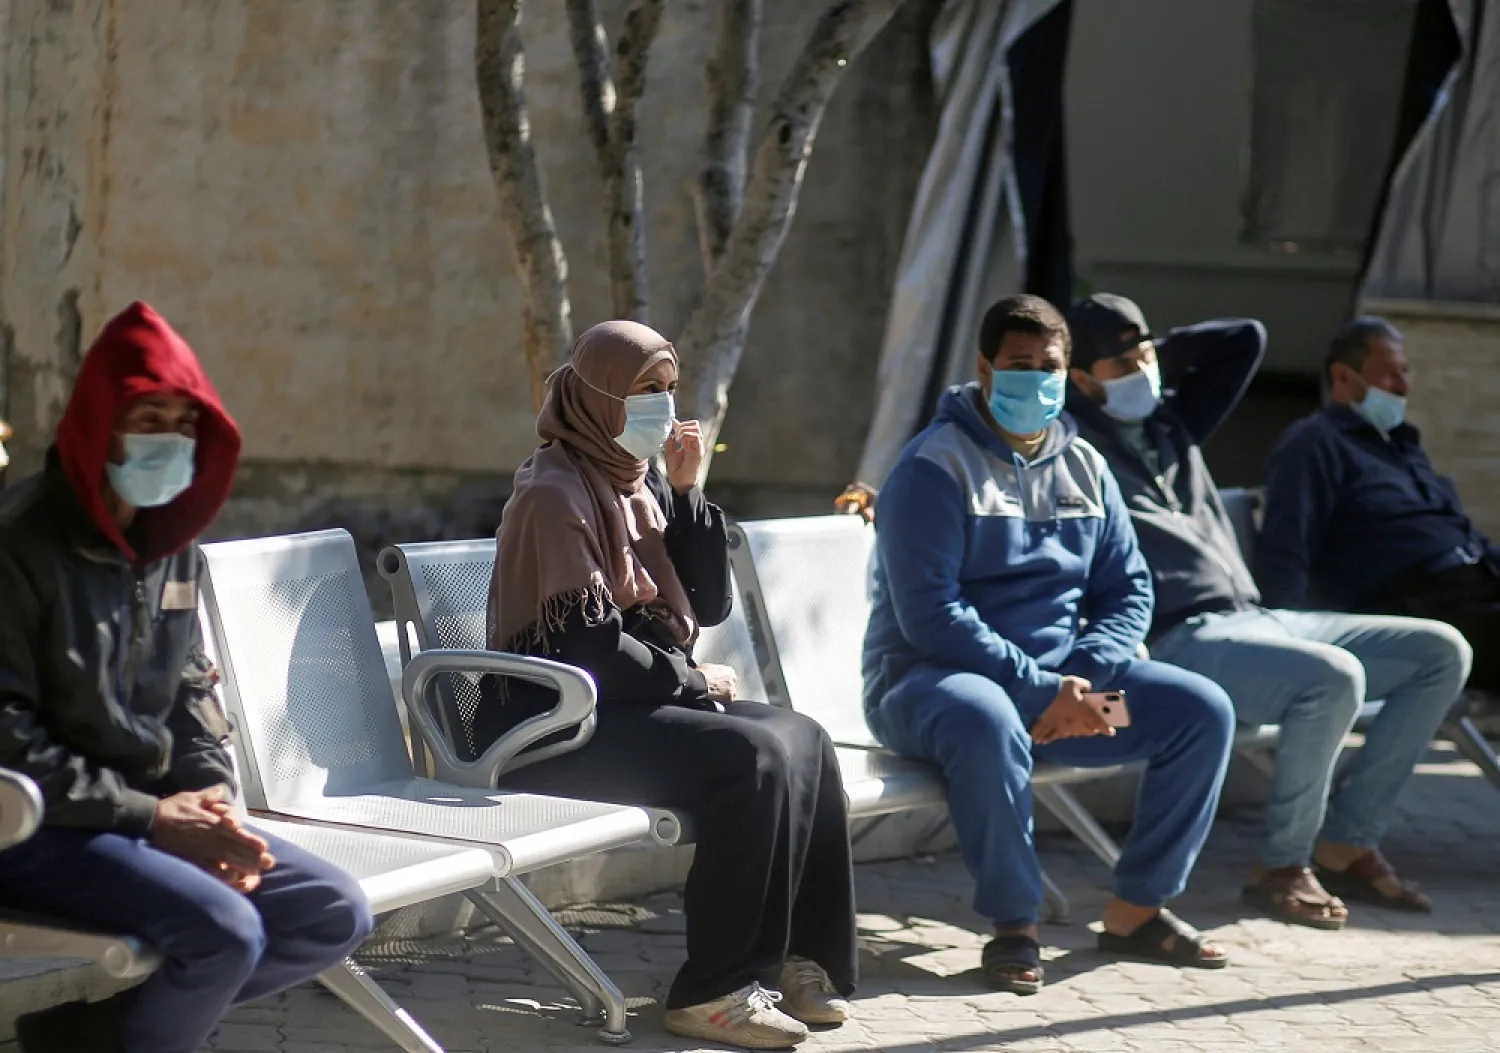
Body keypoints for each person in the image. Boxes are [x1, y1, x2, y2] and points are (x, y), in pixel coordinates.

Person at [0, 302, 374, 1053]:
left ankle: (85, 1040)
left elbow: (190, 686)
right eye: (148, 419)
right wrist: (153, 817)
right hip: (38, 826)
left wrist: (212, 797)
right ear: (100, 422)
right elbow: (7, 736)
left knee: (333, 911)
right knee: (225, 933)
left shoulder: (167, 541)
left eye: (183, 424)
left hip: (146, 816)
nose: (168, 441)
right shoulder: (20, 544)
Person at [480, 320, 856, 1050]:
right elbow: (586, 645)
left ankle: (796, 958)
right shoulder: (554, 493)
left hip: (624, 704)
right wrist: (692, 678)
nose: (663, 404)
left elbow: (706, 604)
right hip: (555, 725)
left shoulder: (637, 481)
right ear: (597, 396)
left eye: (668, 387)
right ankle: (715, 992)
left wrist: (685, 491)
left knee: (803, 738)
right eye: (644, 388)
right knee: (749, 758)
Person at [862, 294, 1236, 995]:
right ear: (984, 368)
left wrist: (1081, 682)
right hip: (932, 687)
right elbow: (931, 617)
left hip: (1069, 700)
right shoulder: (932, 467)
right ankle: (1015, 924)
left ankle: (1137, 911)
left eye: (1049, 364)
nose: (1034, 377)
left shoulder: (1087, 465)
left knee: (1200, 711)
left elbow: (1130, 592)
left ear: (1069, 372)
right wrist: (1042, 690)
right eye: (1019, 363)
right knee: (987, 718)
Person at [1064, 294, 1471, 927]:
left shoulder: (1171, 426)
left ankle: (1347, 840)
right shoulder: (1074, 444)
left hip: (1254, 614)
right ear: (1081, 380)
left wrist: (1144, 350)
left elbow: (1243, 338)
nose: (1141, 372)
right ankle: (1282, 867)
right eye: (1120, 366)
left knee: (1440, 651)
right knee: (1332, 677)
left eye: (1145, 357)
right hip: (1179, 636)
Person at [1259, 316, 1500, 693]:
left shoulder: (1401, 447)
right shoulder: (1313, 443)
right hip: (1416, 614)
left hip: (1476, 591)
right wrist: (1288, 645)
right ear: (1343, 377)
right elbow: (1287, 546)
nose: (1403, 387)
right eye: (1389, 375)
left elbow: (1462, 531)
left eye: (1405, 372)